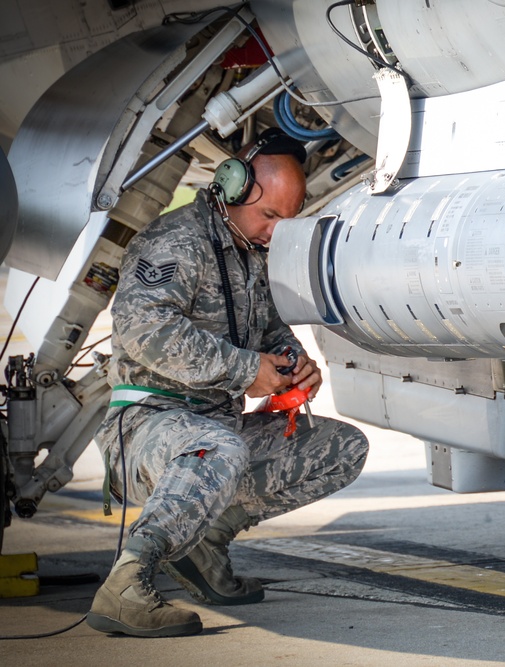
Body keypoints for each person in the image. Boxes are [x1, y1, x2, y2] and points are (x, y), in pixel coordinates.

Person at [86, 128, 369, 637]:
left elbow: (270, 330)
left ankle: (204, 546)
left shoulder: (247, 254)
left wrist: (292, 362)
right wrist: (246, 370)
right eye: (269, 216)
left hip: (217, 431)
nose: (275, 232)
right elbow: (143, 328)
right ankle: (127, 583)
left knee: (343, 446)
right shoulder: (176, 242)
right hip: (147, 429)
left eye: (287, 220)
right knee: (216, 447)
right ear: (233, 187)